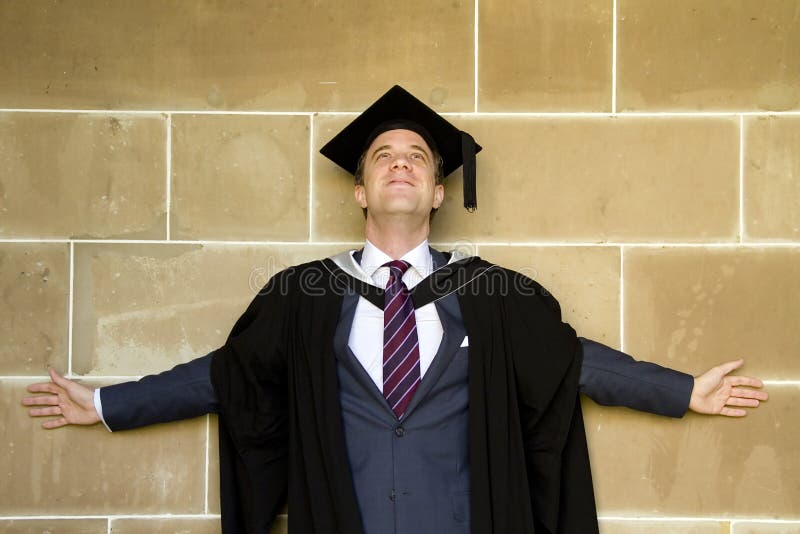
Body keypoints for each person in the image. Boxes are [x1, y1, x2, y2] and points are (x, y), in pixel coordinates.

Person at [23, 86, 767, 534]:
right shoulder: (303, 298)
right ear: (360, 190)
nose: (402, 163)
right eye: (383, 155)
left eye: (418, 156)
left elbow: (575, 362)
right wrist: (109, 402)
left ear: (440, 191)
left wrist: (683, 390)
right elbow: (228, 377)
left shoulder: (492, 297)